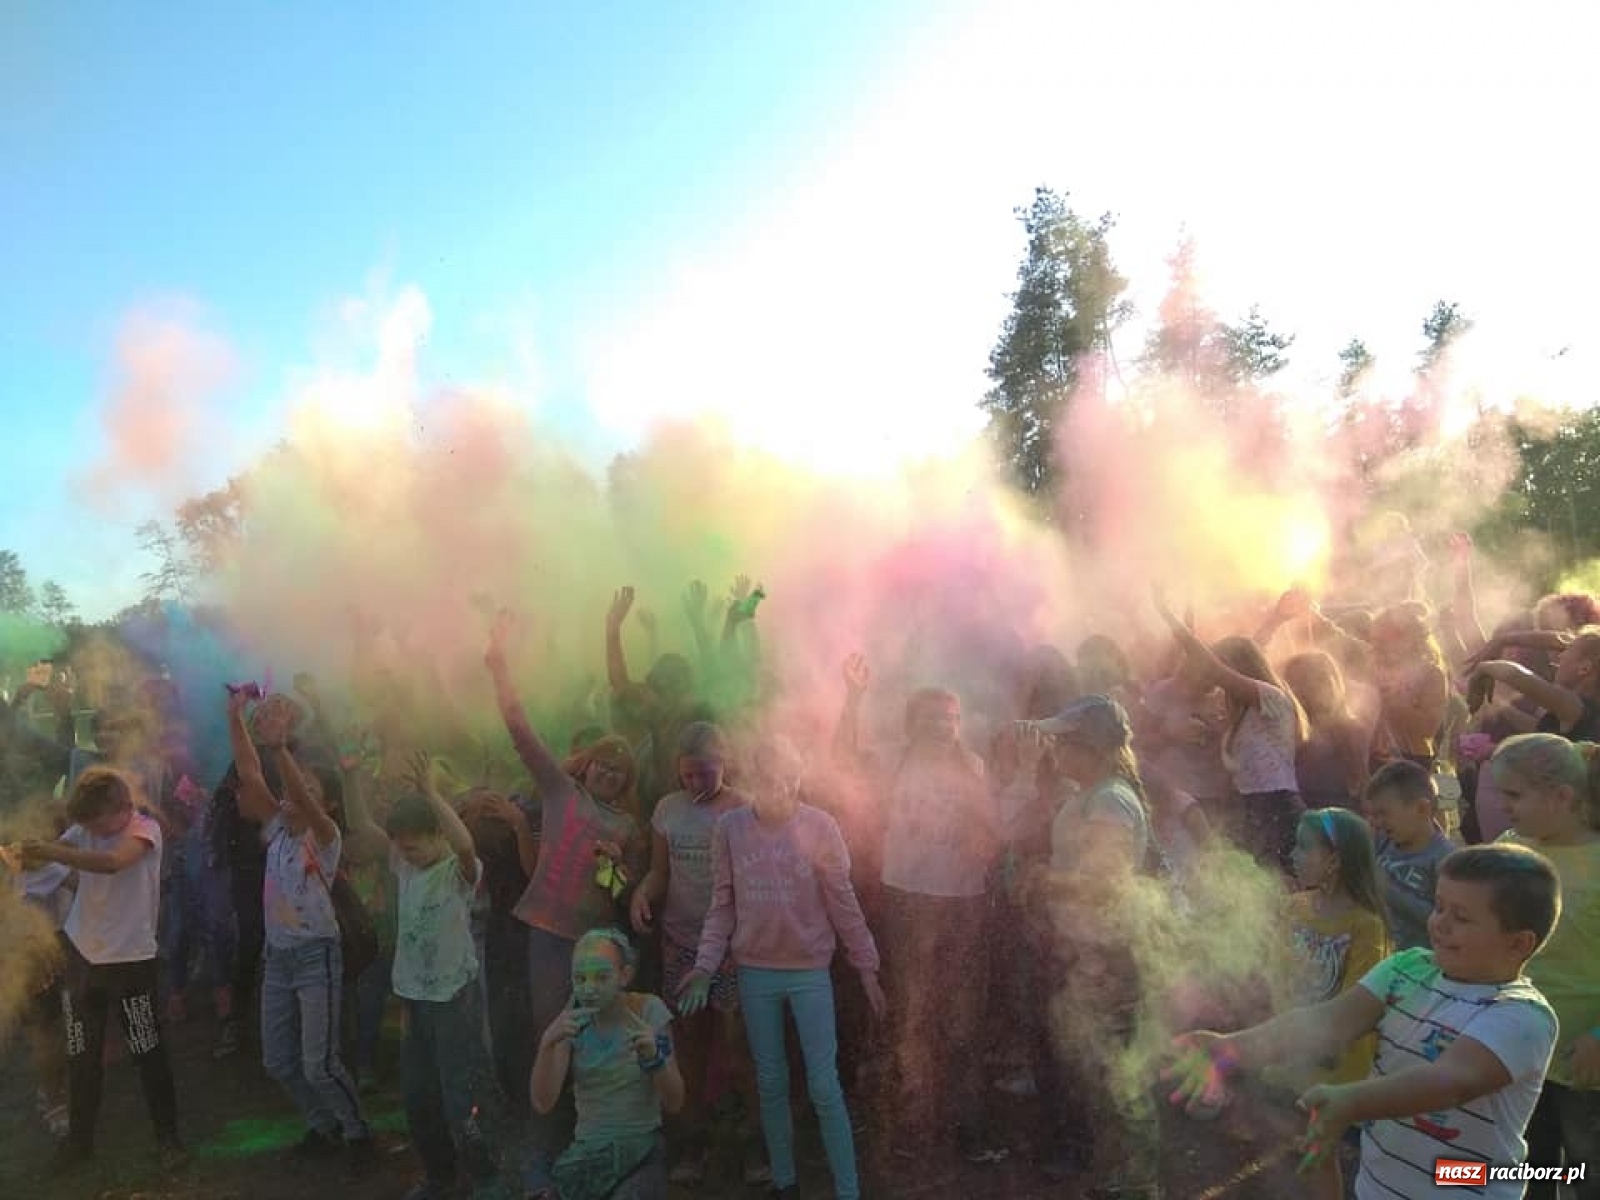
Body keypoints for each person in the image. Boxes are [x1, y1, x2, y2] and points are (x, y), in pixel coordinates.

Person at [1166, 843, 1561, 1199]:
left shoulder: (1522, 1016)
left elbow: (1450, 1082)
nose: (1439, 923)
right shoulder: (1406, 969)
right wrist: (1230, 1045)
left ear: (1518, 943)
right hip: (1378, 1185)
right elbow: (1326, 1022)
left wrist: (1350, 1101)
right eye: (1439, 906)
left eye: (1461, 917)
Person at [680, 733, 885, 1200]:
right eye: (769, 779)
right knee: (770, 1080)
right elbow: (722, 904)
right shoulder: (730, 828)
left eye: (789, 778)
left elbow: (843, 901)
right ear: (752, 780)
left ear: (798, 776)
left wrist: (866, 966)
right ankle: (784, 1182)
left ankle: (847, 1189)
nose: (781, 789)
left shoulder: (821, 827)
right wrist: (706, 964)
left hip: (810, 971)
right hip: (756, 971)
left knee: (823, 1083)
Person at [484, 609, 644, 1195]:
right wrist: (499, 666)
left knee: (592, 1039)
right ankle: (543, 1153)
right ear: (590, 763)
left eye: (620, 769)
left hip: (593, 944)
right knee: (550, 1033)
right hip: (547, 934)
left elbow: (625, 898)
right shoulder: (559, 790)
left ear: (627, 781)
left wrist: (616, 869)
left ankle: (592, 1143)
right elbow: (521, 732)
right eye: (604, 761)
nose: (609, 771)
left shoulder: (627, 825)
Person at [831, 651, 1001, 1165]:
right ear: (912, 724)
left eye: (951, 719)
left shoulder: (974, 765)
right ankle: (916, 1122)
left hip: (963, 902)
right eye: (931, 719)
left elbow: (992, 832)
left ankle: (962, 1121)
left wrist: (985, 838)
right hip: (908, 897)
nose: (943, 727)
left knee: (961, 1012)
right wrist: (854, 697)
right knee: (914, 1011)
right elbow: (842, 759)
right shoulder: (893, 760)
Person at [226, 688, 375, 1165]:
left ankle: (358, 1135)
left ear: (326, 804)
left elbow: (298, 798)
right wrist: (236, 717)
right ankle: (322, 1124)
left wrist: (279, 749)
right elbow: (250, 775)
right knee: (278, 1061)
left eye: (309, 790)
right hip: (279, 958)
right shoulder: (275, 829)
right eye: (293, 788)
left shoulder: (325, 836)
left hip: (316, 955)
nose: (295, 794)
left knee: (321, 1063)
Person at [345, 752, 501, 1200]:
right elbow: (363, 829)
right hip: (415, 999)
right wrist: (351, 775)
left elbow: (466, 845)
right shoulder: (403, 865)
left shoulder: (457, 872)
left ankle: (485, 1177)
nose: (405, 853)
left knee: (459, 1097)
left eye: (414, 844)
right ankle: (439, 1175)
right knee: (417, 1096)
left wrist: (432, 795)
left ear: (438, 837)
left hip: (455, 998)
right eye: (401, 845)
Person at [1025, 695, 1162, 1199]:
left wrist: (1045, 882)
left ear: (1092, 749)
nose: (1055, 748)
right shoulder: (1090, 794)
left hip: (1104, 956)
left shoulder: (1109, 800)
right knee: (1099, 1070)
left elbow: (1107, 882)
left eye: (1064, 741)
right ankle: (1119, 1176)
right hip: (1086, 952)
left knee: (1115, 1073)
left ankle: (1139, 1183)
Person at [19, 766, 185, 1171]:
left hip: (131, 963)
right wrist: (26, 855)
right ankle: (79, 1145)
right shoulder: (83, 831)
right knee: (81, 1055)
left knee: (148, 1052)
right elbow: (62, 869)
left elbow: (111, 863)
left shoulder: (145, 830)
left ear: (123, 806)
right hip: (83, 961)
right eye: (87, 823)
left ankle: (169, 1141)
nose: (93, 829)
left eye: (98, 821)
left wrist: (51, 852)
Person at [628, 721, 758, 1187]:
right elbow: (661, 872)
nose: (696, 783)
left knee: (740, 1043)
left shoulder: (743, 809)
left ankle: (751, 1144)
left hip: (731, 946)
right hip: (681, 942)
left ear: (724, 763)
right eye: (687, 775)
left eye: (705, 773)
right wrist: (643, 893)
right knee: (687, 1044)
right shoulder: (668, 809)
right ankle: (692, 1144)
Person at [1490, 734, 1600, 1198]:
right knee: (1527, 1167)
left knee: (1587, 1168)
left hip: (1584, 1058)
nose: (1503, 806)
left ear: (1562, 797)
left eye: (1514, 795)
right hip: (1519, 1049)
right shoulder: (1509, 850)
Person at [1277, 807, 1391, 1199]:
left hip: (1338, 1061)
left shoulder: (1365, 924)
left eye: (1303, 847)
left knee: (1347, 1142)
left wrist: (1324, 1044)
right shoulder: (1294, 907)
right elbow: (1276, 970)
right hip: (1296, 1049)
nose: (1292, 854)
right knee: (1310, 1143)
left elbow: (1360, 996)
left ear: (1336, 860)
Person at [1152, 592, 1307, 874]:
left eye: (1223, 673)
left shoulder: (1272, 700)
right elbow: (1249, 649)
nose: (1214, 682)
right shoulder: (1241, 714)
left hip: (1277, 806)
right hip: (1250, 808)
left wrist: (1171, 620)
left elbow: (1225, 661)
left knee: (1283, 888)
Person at [531, 927, 684, 1200]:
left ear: (624, 975)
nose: (589, 989)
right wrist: (547, 1044)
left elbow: (675, 1101)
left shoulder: (648, 1011)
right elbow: (543, 1102)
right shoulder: (573, 1022)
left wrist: (654, 1059)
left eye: (602, 977)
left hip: (641, 1149)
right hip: (588, 1153)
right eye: (580, 978)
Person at [1366, 760, 1454, 951]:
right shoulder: (1383, 842)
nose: (1377, 822)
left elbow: (1445, 921)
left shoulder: (1444, 858)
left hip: (1418, 962)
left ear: (1422, 809)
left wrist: (1388, 890)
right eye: (1373, 815)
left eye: (1383, 813)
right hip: (1381, 955)